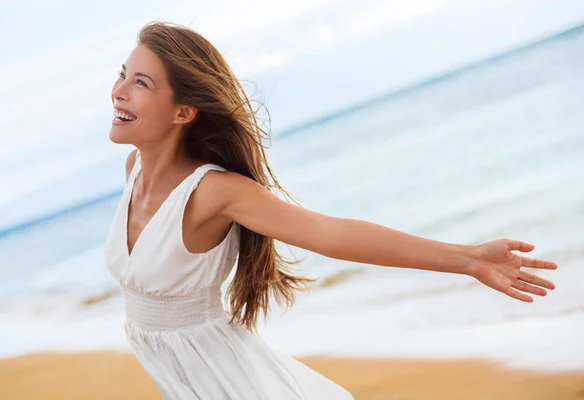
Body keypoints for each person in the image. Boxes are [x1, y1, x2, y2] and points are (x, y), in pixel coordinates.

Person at [103, 20, 558, 400]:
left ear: (183, 112)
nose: (118, 91)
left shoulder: (212, 192)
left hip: (231, 382)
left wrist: (469, 258)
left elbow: (331, 234)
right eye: (123, 74)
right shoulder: (133, 171)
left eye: (140, 83)